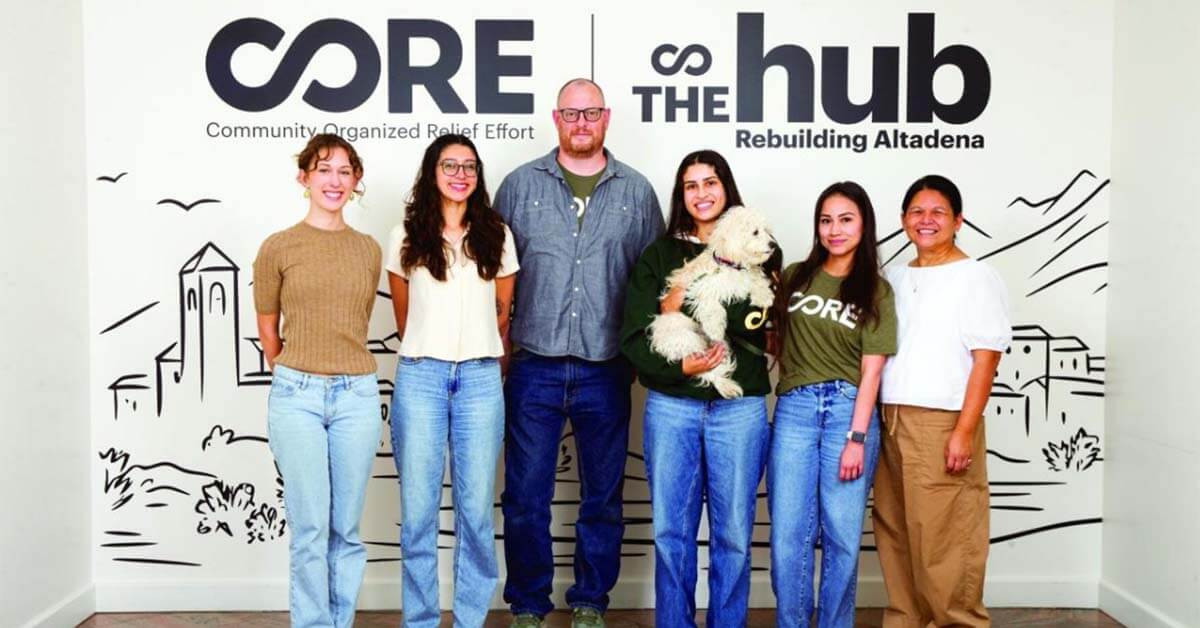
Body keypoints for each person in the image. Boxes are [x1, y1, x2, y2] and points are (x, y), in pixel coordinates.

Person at [495, 78, 664, 628]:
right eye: (572, 113)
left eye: (591, 112)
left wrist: (645, 359)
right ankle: (527, 604)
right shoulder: (518, 187)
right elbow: (495, 277)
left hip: (606, 368)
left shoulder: (637, 192)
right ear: (556, 119)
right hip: (533, 364)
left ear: (607, 118)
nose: (582, 122)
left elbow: (657, 284)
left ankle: (591, 600)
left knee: (603, 498)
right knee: (524, 496)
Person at [620, 149, 780, 628]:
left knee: (733, 532)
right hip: (673, 407)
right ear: (681, 195)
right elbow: (633, 337)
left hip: (739, 407)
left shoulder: (760, 248)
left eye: (710, 182)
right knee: (673, 532)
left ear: (726, 188)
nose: (702, 193)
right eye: (691, 185)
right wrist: (682, 366)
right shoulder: (660, 255)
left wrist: (682, 303)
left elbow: (761, 329)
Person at [384, 134, 518, 628]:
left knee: (476, 514)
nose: (460, 174)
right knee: (418, 513)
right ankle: (420, 619)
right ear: (432, 172)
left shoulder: (497, 234)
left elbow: (502, 312)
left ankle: (469, 619)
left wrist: (480, 353)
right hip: (421, 374)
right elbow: (405, 317)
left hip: (482, 378)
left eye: (469, 166)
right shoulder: (404, 233)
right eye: (450, 165)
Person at [253, 133, 382, 628]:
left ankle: (340, 622)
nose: (335, 180)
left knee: (345, 530)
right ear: (303, 177)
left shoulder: (368, 250)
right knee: (309, 528)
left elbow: (355, 320)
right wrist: (300, 370)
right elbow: (269, 330)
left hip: (356, 396)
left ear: (356, 182)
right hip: (296, 395)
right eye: (324, 169)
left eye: (345, 171)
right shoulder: (278, 247)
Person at [873, 175, 1011, 628]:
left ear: (958, 221)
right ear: (903, 220)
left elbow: (985, 360)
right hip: (889, 417)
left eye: (937, 212)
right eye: (917, 212)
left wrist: (964, 432)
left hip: (941, 421)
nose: (926, 221)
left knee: (945, 538)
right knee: (895, 531)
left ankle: (958, 622)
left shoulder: (976, 277)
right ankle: (906, 620)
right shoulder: (892, 275)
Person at [768, 182, 897, 628]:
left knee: (842, 537)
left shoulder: (876, 290)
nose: (834, 229)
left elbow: (873, 372)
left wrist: (857, 438)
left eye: (845, 219)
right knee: (789, 536)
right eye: (826, 220)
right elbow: (772, 340)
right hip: (795, 412)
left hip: (847, 411)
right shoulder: (794, 277)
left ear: (864, 225)